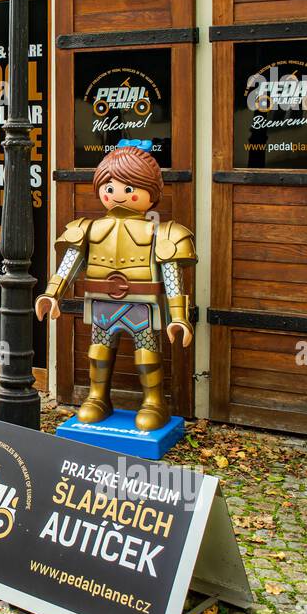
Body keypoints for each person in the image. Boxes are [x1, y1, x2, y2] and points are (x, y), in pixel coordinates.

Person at [35, 140, 196, 432]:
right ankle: (98, 397)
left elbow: (172, 273)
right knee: (98, 351)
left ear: (151, 191)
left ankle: (154, 401)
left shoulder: (164, 232)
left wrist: (179, 317)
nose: (118, 195)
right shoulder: (86, 228)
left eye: (128, 189)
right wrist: (51, 293)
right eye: (109, 188)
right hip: (102, 305)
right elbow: (69, 262)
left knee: (147, 354)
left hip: (142, 305)